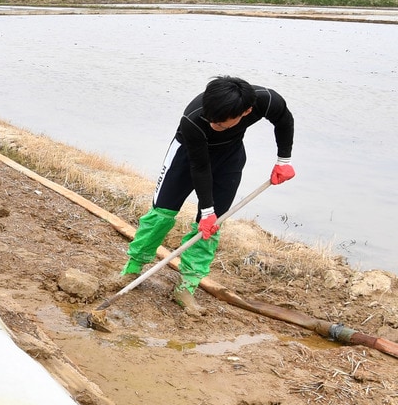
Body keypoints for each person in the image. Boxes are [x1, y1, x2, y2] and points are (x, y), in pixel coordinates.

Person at [119, 75, 295, 316]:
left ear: (246, 111)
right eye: (211, 120)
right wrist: (206, 211)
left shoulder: (267, 100)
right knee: (162, 214)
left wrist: (283, 160)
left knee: (211, 228)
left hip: (229, 158)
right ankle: (133, 266)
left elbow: (284, 120)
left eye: (221, 124)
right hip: (187, 156)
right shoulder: (193, 119)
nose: (214, 126)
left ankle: (186, 286)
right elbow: (199, 167)